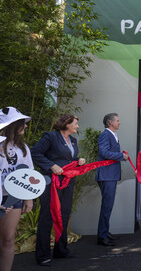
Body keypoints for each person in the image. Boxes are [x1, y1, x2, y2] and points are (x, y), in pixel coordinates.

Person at [31, 114, 86, 266]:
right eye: (76, 123)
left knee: (64, 214)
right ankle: (42, 255)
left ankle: (61, 250)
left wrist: (78, 161)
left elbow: (68, 160)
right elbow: (35, 152)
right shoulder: (50, 137)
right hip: (51, 183)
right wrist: (51, 166)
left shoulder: (73, 141)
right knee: (47, 216)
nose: (77, 126)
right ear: (66, 123)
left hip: (68, 182)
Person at [0, 107, 33, 271]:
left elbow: (28, 173)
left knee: (8, 238)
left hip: (13, 198)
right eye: (22, 123)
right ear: (13, 124)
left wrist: (28, 197)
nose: (26, 126)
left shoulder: (23, 148)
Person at [96, 113, 128, 247]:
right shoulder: (105, 135)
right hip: (107, 175)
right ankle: (102, 236)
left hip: (110, 175)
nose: (119, 123)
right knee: (107, 205)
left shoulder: (112, 135)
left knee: (108, 205)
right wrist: (121, 156)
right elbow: (104, 153)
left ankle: (105, 232)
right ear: (110, 122)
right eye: (117, 120)